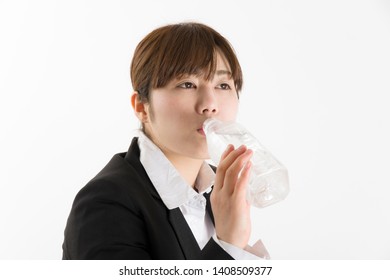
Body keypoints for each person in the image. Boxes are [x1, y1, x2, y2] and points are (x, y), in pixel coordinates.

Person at [62, 22, 269, 260]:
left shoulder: (217, 191)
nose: (210, 104)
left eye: (223, 85)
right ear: (141, 106)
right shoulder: (106, 202)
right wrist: (228, 245)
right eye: (187, 84)